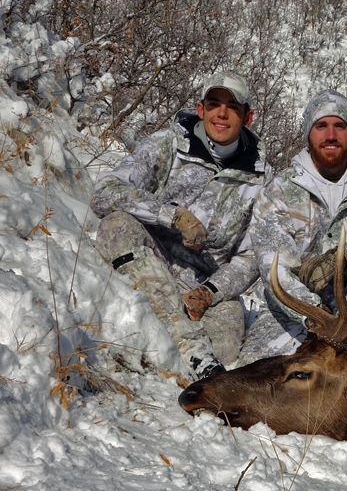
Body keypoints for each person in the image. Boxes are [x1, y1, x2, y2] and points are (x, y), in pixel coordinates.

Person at [91, 71, 268, 379]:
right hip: (147, 258)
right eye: (213, 104)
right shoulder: (167, 145)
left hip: (199, 284)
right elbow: (105, 191)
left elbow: (251, 257)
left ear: (247, 115)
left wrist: (210, 292)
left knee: (228, 335)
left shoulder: (261, 180)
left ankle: (170, 343)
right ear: (201, 109)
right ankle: (190, 348)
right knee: (117, 226)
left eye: (232, 106)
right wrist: (171, 215)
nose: (221, 114)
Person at [238, 89, 347, 373]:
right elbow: (274, 268)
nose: (330, 135)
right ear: (309, 133)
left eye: (339, 126)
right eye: (321, 126)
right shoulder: (280, 189)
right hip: (298, 312)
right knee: (250, 384)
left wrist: (344, 259)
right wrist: (316, 316)